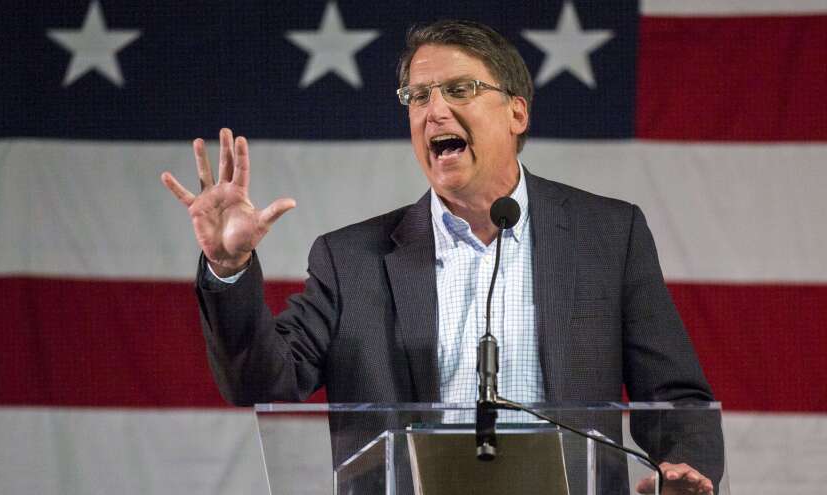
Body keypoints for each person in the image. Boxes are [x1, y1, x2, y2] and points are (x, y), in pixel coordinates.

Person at [162, 20, 721, 495]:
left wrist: (684, 467)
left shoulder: (607, 234)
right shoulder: (349, 258)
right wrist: (228, 269)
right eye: (418, 96)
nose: (434, 111)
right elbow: (265, 384)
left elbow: (675, 395)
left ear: (516, 113)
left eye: (458, 90)